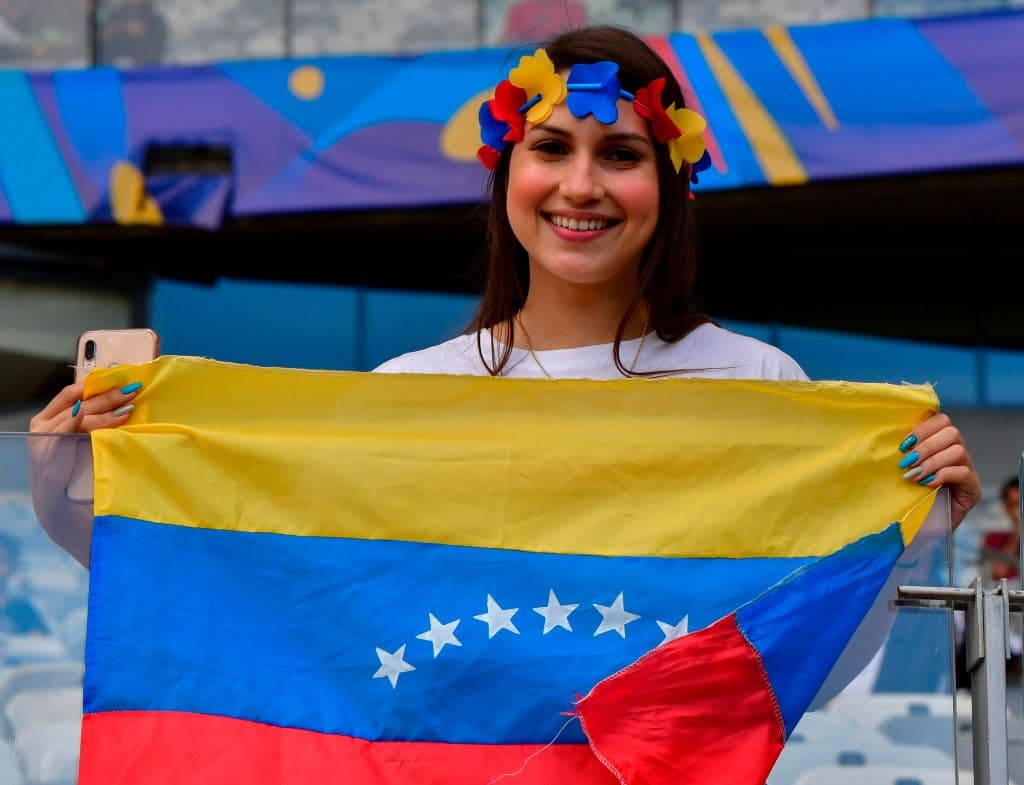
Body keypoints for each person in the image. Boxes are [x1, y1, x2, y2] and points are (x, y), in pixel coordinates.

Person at [29, 26, 982, 567]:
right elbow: (289, 598)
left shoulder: (760, 382)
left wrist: (918, 517)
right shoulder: (407, 392)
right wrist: (64, 498)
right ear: (506, 175)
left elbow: (809, 637)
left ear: (671, 187)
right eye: (552, 149)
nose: (581, 186)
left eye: (620, 154)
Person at [981, 476, 1020, 584]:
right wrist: (1018, 530)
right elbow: (1000, 572)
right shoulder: (994, 538)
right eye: (1017, 504)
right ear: (1007, 508)